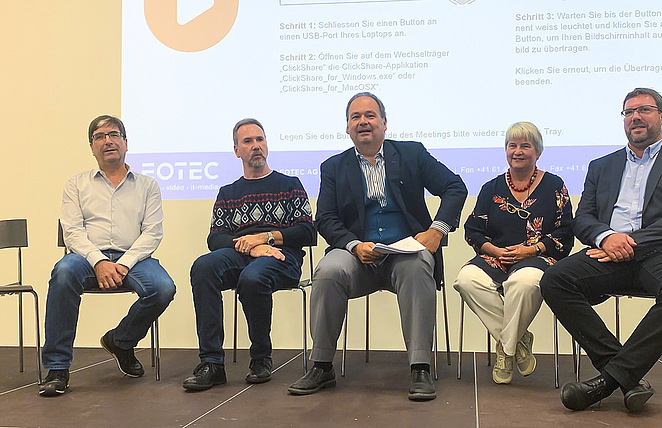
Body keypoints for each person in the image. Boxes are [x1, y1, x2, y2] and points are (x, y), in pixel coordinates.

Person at [288, 92, 467, 401]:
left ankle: (420, 367)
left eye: (370, 115)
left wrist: (437, 231)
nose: (363, 122)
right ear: (347, 128)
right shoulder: (333, 167)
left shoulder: (411, 154)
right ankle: (321, 365)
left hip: (406, 252)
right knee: (328, 270)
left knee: (417, 265)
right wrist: (354, 245)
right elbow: (326, 219)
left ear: (384, 123)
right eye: (355, 117)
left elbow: (455, 187)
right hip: (358, 256)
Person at [541, 88, 662, 413]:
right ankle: (625, 376)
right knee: (555, 280)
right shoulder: (602, 165)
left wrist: (632, 243)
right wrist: (606, 237)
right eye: (628, 112)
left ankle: (608, 381)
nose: (635, 117)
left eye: (644, 110)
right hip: (609, 252)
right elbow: (583, 219)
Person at [40, 115, 176, 397]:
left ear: (125, 143)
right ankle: (57, 368)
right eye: (99, 137)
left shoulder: (148, 185)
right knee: (63, 273)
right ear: (92, 147)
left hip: (134, 257)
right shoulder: (76, 184)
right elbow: (72, 232)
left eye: (113, 135)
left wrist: (123, 264)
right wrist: (99, 261)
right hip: (86, 258)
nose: (107, 141)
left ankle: (121, 340)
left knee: (163, 288)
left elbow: (152, 233)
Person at [182, 119, 316, 391]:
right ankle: (211, 363)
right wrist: (253, 246)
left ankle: (260, 358)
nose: (256, 146)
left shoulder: (290, 184)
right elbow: (216, 238)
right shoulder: (228, 193)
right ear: (236, 151)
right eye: (248, 142)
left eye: (260, 140)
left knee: (254, 277)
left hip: (282, 257)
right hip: (242, 254)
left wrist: (267, 238)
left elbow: (307, 231)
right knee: (203, 267)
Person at [454, 121, 572, 385]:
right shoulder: (491, 187)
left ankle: (506, 352)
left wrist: (530, 249)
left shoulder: (555, 185)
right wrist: (494, 250)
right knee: (466, 280)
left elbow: (565, 231)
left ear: (537, 152)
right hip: (496, 256)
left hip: (537, 256)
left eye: (525, 146)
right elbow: (473, 229)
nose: (517, 151)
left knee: (524, 283)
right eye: (512, 145)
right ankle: (518, 341)